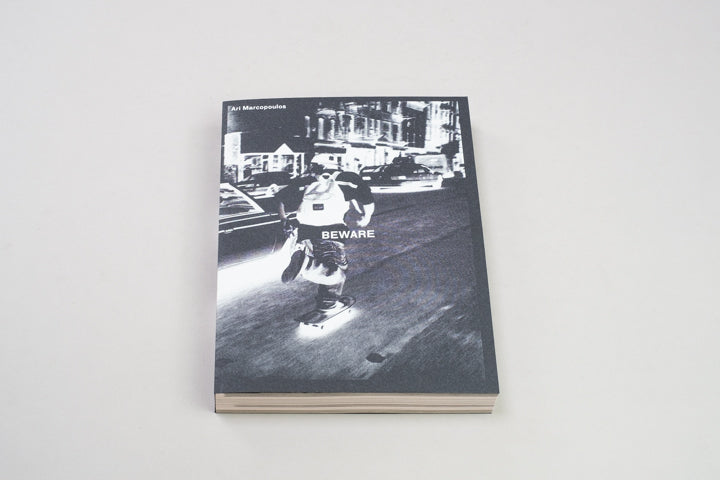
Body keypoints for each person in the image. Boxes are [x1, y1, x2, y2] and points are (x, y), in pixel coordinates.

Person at [276, 157, 375, 311]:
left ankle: (307, 263)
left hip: (305, 231)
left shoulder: (304, 181)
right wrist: (366, 217)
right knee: (337, 267)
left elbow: (281, 199)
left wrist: (284, 220)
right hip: (332, 230)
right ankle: (313, 275)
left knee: (323, 263)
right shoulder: (347, 179)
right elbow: (368, 200)